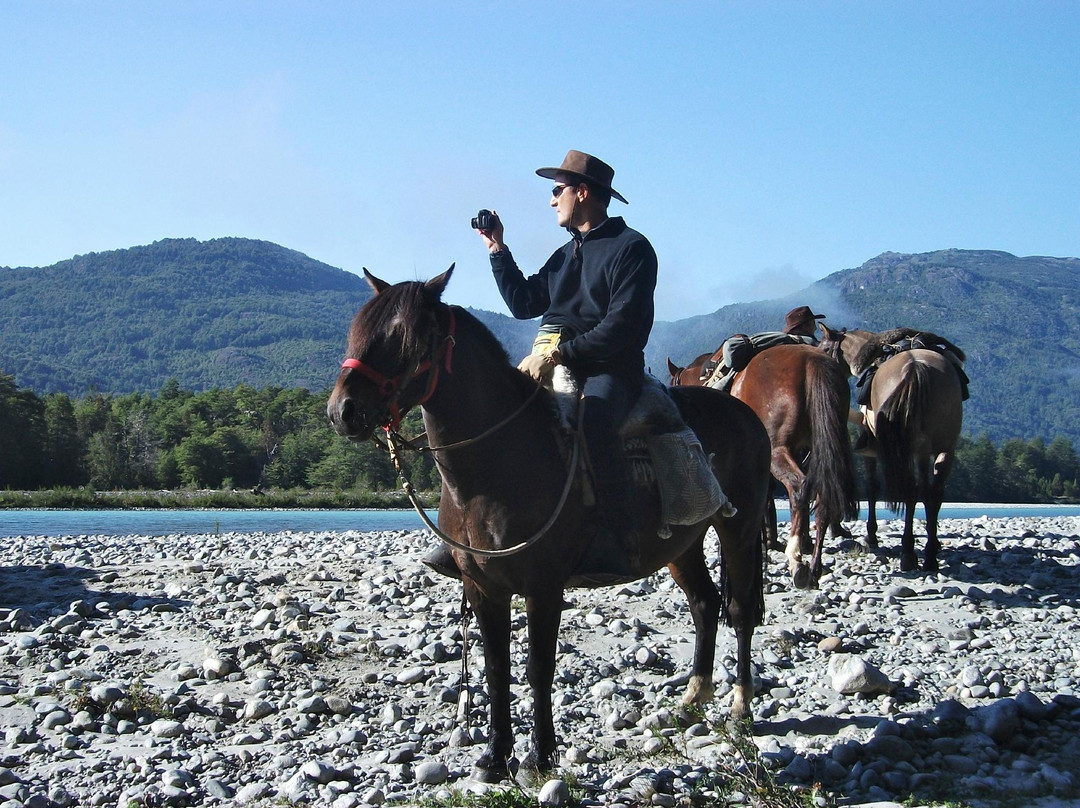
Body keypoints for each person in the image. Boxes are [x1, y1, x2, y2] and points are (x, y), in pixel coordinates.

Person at [424, 150, 657, 582]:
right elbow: (523, 303)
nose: (552, 200)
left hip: (608, 369)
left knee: (596, 418)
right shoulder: (564, 255)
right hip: (547, 358)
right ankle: (463, 532)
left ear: (582, 192)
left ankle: (618, 537)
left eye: (557, 190)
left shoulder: (633, 249)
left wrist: (559, 354)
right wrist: (497, 248)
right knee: (487, 417)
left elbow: (623, 326)